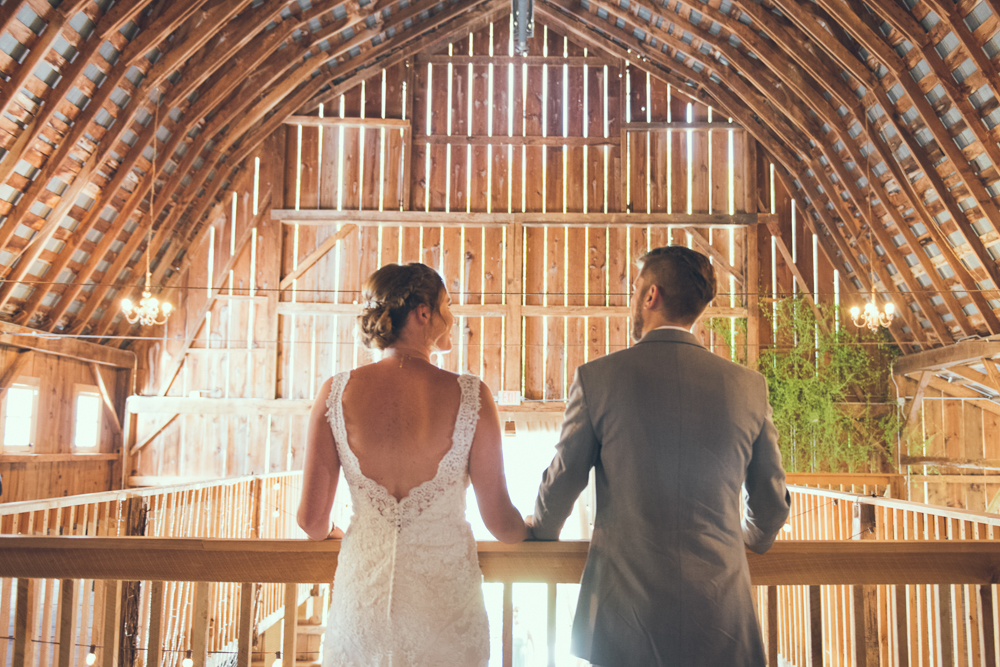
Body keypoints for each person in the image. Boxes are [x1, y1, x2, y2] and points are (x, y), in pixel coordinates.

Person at [529, 245, 790, 667]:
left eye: (636, 287)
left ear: (651, 295)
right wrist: (746, 540)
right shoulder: (748, 387)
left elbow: (563, 481)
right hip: (721, 617)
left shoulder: (598, 379)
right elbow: (771, 507)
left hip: (625, 620)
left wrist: (540, 530)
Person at [297, 262, 527, 667]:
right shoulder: (471, 396)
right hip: (445, 611)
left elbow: (311, 521)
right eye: (447, 307)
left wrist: (344, 533)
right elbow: (501, 525)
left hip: (362, 605)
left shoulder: (335, 393)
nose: (452, 318)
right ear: (424, 313)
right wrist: (534, 528)